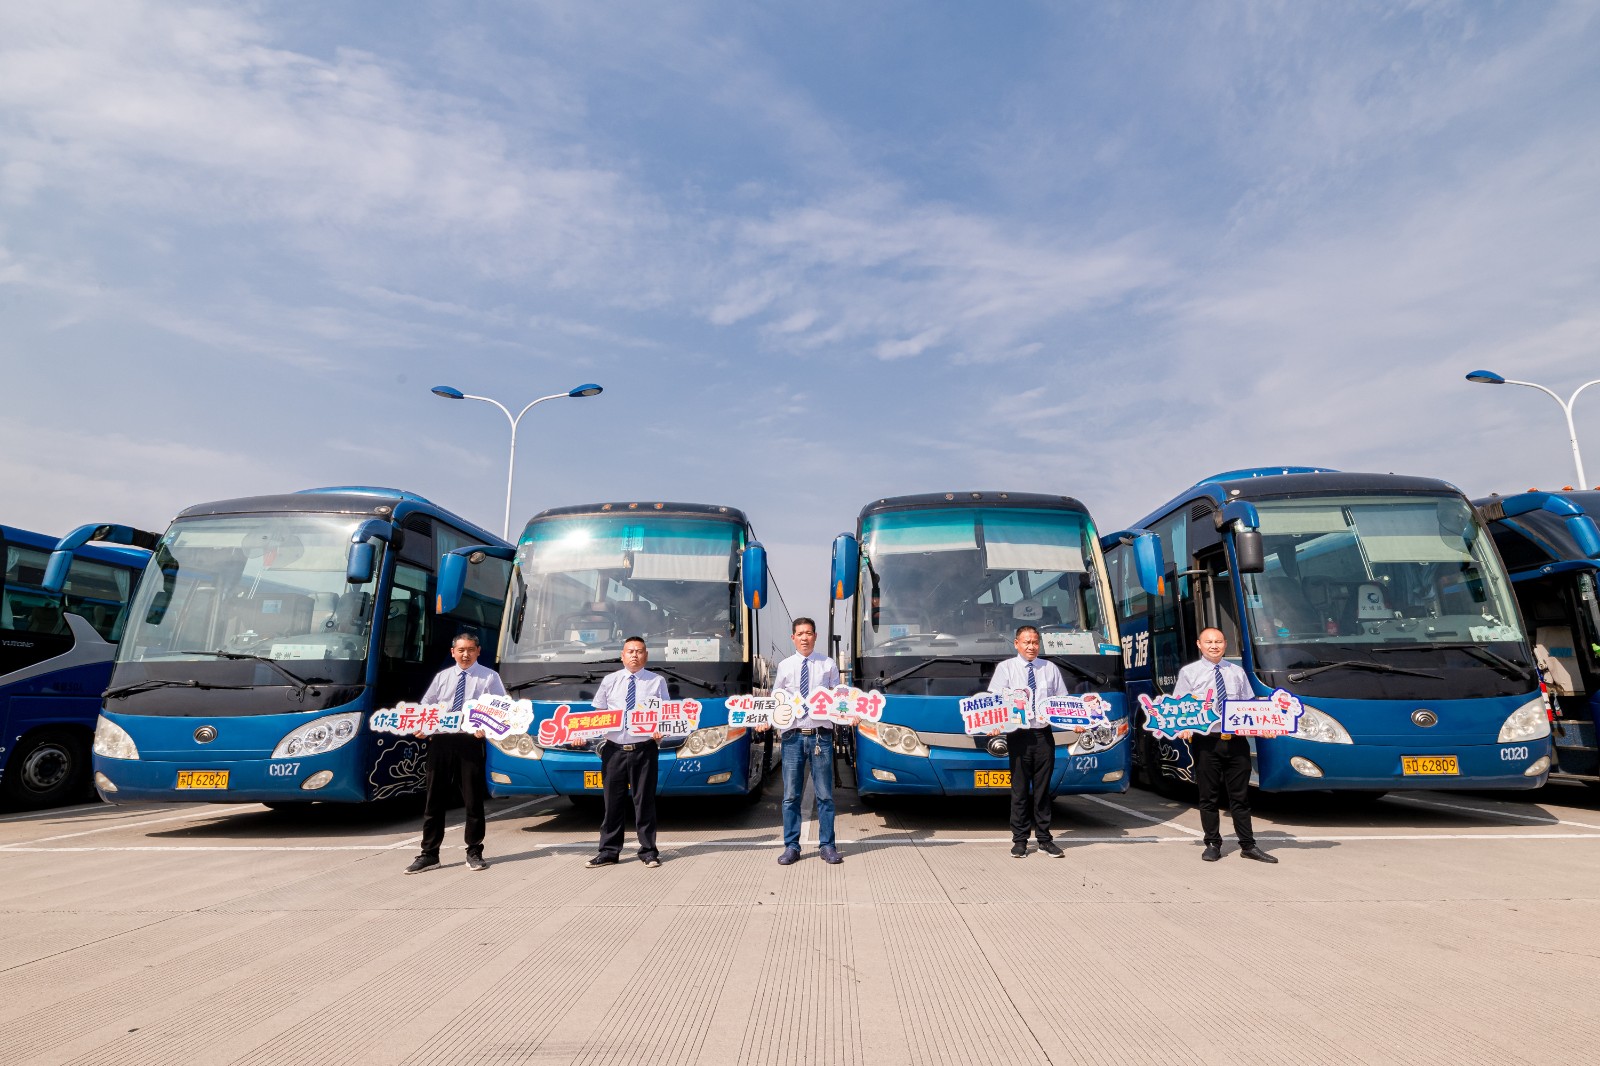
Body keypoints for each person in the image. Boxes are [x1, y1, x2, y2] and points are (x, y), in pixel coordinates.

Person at [1174, 627, 1278, 864]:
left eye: (1218, 642)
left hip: (1236, 742)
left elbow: (1250, 706)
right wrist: (1183, 726)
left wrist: (1264, 726)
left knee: (1240, 797)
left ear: (1225, 644)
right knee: (1208, 796)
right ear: (1199, 644)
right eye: (1209, 642)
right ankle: (1212, 844)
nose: (1214, 646)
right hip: (1206, 742)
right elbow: (1180, 706)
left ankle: (1248, 845)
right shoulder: (1189, 673)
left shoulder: (1237, 672)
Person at [406, 632, 505, 874]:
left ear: (478, 651)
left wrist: (487, 726)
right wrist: (422, 726)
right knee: (434, 799)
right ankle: (429, 854)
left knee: (472, 799)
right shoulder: (442, 677)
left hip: (470, 742)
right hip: (441, 741)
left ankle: (474, 851)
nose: (465, 654)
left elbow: (501, 708)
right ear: (453, 652)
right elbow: (427, 706)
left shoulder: (489, 677)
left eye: (470, 650)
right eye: (461, 650)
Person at [760, 617, 843, 865]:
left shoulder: (828, 664)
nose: (804, 637)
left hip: (820, 737)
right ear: (793, 638)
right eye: (800, 634)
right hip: (792, 738)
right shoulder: (785, 666)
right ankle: (791, 846)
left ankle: (827, 845)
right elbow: (776, 700)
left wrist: (850, 714)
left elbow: (840, 697)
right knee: (790, 796)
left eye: (808, 633)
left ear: (815, 636)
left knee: (825, 795)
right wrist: (766, 720)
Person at [583, 636, 666, 869]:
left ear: (646, 656)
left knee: (644, 802)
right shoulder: (610, 681)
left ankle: (648, 851)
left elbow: (666, 713)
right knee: (612, 802)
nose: (634, 655)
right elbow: (597, 714)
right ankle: (609, 851)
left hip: (644, 750)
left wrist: (661, 730)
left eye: (639, 651)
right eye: (630, 651)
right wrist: (582, 733)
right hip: (613, 751)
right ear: (622, 656)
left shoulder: (657, 681)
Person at [988, 625, 1067, 858]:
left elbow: (1062, 702)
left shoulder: (1050, 668)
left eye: (1035, 642)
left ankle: (1044, 839)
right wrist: (994, 724)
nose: (1031, 646)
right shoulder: (1006, 668)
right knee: (1020, 790)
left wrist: (1075, 722)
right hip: (1018, 736)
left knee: (1043, 790)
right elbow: (995, 702)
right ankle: (1020, 840)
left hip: (1044, 736)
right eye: (1026, 642)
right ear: (1016, 644)